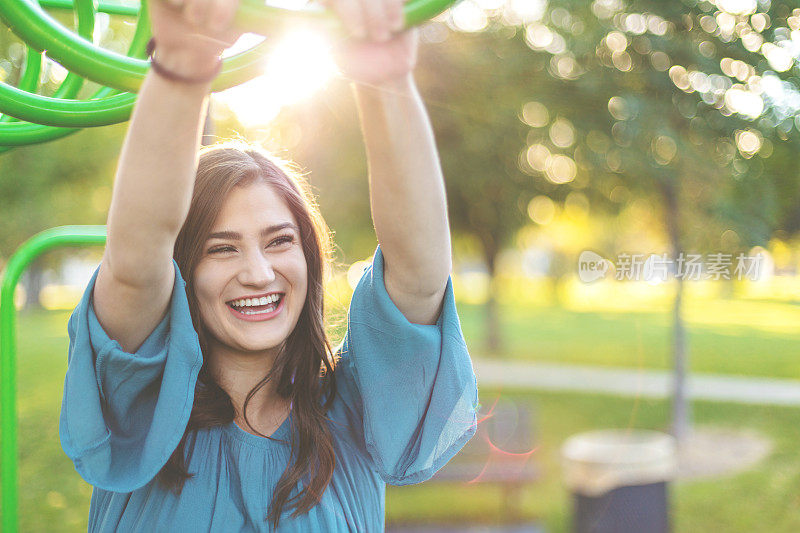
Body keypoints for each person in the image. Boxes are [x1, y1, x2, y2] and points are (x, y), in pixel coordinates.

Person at [59, 0, 479, 530]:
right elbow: (135, 262)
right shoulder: (143, 409)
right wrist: (183, 65)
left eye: (279, 241)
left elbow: (420, 276)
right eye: (221, 248)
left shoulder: (356, 412)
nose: (258, 272)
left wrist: (388, 82)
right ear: (182, 268)